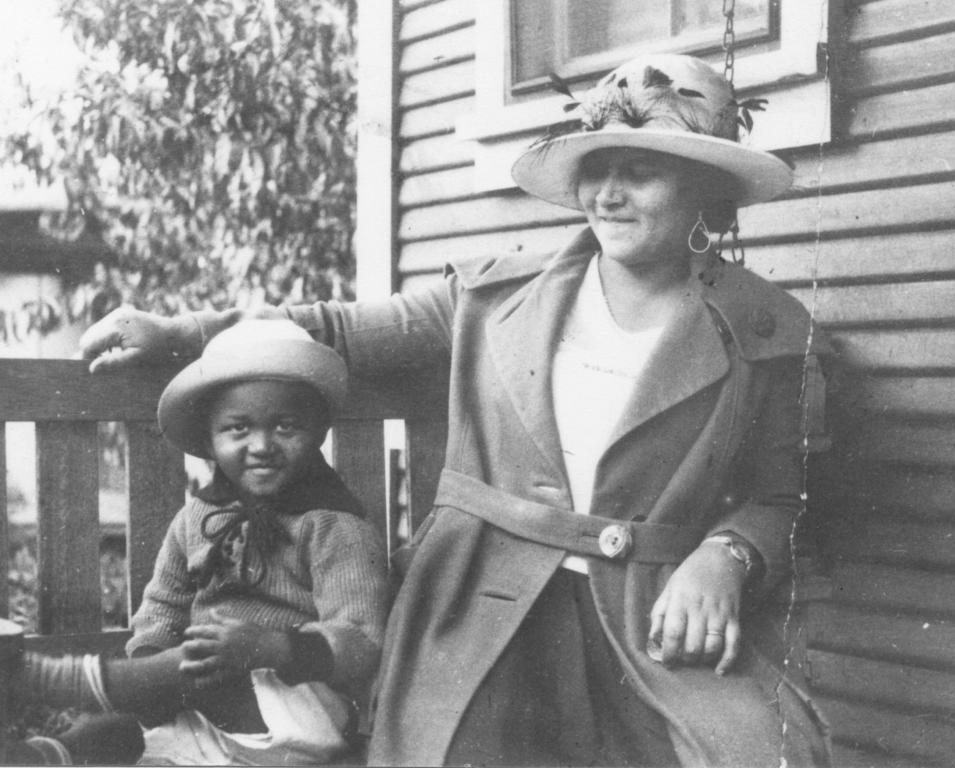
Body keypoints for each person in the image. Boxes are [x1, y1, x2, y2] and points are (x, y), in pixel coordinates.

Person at [80, 54, 833, 766]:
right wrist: (183, 332)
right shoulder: (496, 297)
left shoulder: (764, 333)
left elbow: (781, 496)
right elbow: (334, 327)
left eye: (640, 173)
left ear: (704, 186)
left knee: (759, 749)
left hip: (648, 616)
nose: (608, 195)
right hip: (480, 600)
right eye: (596, 170)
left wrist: (728, 555)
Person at [20, 319, 388, 765]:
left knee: (195, 669)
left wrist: (272, 647)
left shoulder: (334, 526)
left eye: (286, 427)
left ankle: (63, 682)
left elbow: (363, 642)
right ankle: (46, 755)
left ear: (319, 433)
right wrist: (152, 656)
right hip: (203, 707)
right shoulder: (199, 517)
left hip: (299, 708)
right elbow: (163, 604)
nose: (262, 445)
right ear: (211, 440)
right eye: (238, 429)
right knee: (125, 732)